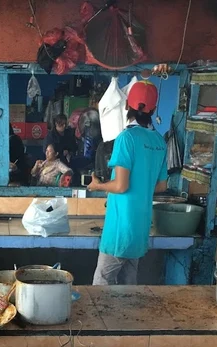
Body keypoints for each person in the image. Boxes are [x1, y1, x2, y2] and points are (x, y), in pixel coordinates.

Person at [87, 65, 170, 285]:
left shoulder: (126, 138)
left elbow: (121, 186)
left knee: (101, 284)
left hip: (121, 226)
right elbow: (161, 186)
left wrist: (97, 186)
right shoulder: (159, 141)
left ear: (127, 105)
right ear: (152, 110)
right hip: (140, 226)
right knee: (128, 287)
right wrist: (142, 186)